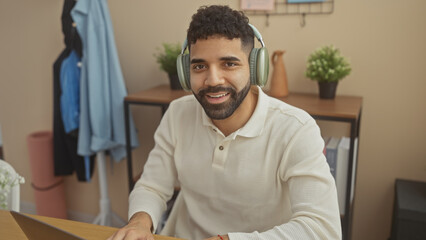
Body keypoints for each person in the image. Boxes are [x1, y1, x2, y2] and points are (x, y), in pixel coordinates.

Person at [109, 5, 341, 240]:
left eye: (229, 64)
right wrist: (139, 222)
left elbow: (322, 230)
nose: (212, 80)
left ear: (255, 68)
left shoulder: (297, 129)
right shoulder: (177, 113)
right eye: (199, 66)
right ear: (185, 72)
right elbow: (152, 185)